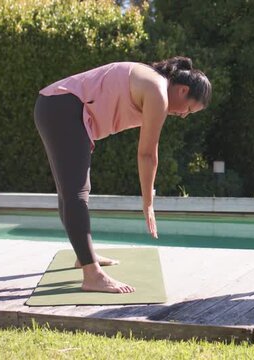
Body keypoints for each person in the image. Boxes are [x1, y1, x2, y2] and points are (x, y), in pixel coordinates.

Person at [34, 57, 211, 293]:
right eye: (189, 109)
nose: (184, 115)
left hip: (56, 107)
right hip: (63, 108)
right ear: (183, 90)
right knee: (76, 192)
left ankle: (84, 255)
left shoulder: (152, 83)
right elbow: (147, 154)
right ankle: (92, 274)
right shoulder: (158, 92)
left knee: (69, 192)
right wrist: (148, 202)